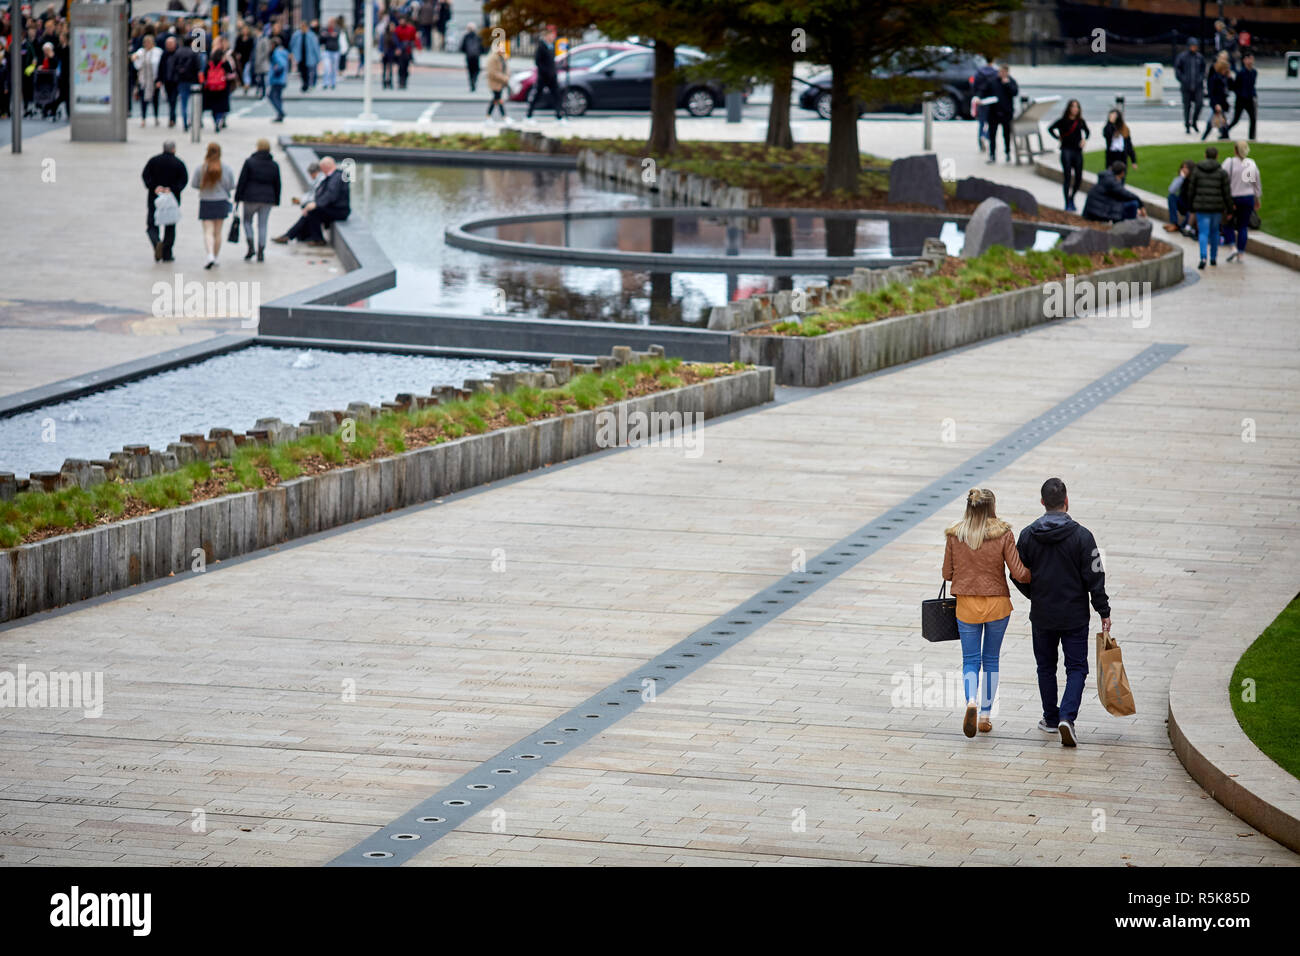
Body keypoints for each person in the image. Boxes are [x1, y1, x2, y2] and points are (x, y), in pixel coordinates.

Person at [1012, 478, 1110, 748]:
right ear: (1067, 501)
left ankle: (1051, 718)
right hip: (1074, 615)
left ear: (1042, 502)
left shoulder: (1028, 535)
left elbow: (1017, 572)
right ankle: (1068, 716)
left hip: (1042, 614)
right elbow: (1096, 576)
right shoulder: (1083, 536)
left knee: (1045, 666)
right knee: (1077, 667)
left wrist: (1034, 595)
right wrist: (1103, 610)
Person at [942, 489, 1031, 738]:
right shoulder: (1004, 534)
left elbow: (947, 573)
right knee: (991, 659)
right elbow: (1019, 572)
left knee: (971, 660)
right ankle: (985, 715)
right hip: (997, 605)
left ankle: (971, 700)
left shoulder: (955, 535)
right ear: (992, 507)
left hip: (967, 605)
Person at [273, 155, 349, 245]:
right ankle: (291, 235)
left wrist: (316, 204)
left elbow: (331, 195)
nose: (321, 170)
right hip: (334, 208)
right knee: (310, 210)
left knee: (313, 211)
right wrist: (313, 204)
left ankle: (314, 239)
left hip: (339, 210)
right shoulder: (334, 176)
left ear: (325, 167)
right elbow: (325, 195)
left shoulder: (336, 177)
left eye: (321, 168)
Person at [1185, 145, 1233, 269]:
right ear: (1217, 156)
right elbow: (1226, 192)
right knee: (1214, 232)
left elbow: (1191, 190)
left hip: (1201, 207)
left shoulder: (1197, 171)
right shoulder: (1221, 172)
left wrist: (1190, 206)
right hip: (1216, 208)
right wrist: (1229, 208)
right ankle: (1213, 258)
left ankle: (1203, 257)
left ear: (1205, 155)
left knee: (1203, 233)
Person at [234, 138, 282, 262]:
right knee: (263, 225)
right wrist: (277, 199)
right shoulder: (274, 165)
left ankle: (251, 246)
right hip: (267, 198)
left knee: (247, 222)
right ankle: (261, 250)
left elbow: (242, 181)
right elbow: (278, 184)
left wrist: (237, 198)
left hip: (250, 197)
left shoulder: (250, 162)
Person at [142, 140, 188, 262]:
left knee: (152, 224)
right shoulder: (178, 163)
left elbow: (145, 175)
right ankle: (167, 253)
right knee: (170, 226)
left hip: (154, 197)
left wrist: (153, 186)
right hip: (172, 199)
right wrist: (172, 189)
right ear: (174, 149)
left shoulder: (153, 161)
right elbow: (184, 180)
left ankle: (156, 242)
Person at [192, 141, 236, 269]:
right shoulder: (226, 168)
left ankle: (210, 254)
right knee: (218, 232)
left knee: (208, 232)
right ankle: (215, 257)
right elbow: (231, 185)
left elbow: (195, 184)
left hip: (206, 201)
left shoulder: (201, 168)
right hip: (221, 201)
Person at [1221, 140, 1261, 263]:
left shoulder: (1229, 163)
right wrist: (1257, 198)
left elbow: (1223, 180)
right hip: (1248, 197)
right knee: (1243, 226)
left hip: (1234, 197)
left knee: (1227, 223)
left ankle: (1233, 246)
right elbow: (1256, 183)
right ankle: (1241, 253)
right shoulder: (1250, 164)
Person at [1046, 99, 1089, 212]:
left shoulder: (1080, 121)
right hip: (1066, 150)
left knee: (1079, 177)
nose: (1075, 109)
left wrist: (1084, 140)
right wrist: (1058, 137)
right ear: (1069, 108)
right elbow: (1050, 129)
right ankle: (1067, 202)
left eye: (1077, 107)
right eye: (1073, 107)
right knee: (1068, 177)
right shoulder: (1063, 121)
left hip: (1077, 151)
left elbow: (1087, 132)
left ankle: (1072, 197)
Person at [201, 38, 237, 131]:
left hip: (211, 88)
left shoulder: (210, 64)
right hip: (222, 87)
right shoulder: (224, 64)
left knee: (214, 107)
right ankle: (219, 120)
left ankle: (216, 120)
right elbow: (231, 72)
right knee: (221, 107)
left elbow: (204, 74)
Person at [984, 63, 1017, 164]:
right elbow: (984, 92)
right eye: (1000, 72)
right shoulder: (993, 81)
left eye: (1003, 72)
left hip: (1006, 113)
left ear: (1007, 73)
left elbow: (1015, 93)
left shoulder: (1011, 81)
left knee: (1006, 134)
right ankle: (992, 154)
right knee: (992, 135)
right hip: (993, 113)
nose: (1001, 74)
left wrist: (1007, 84)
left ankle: (1007, 153)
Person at [526, 32, 563, 122]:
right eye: (551, 35)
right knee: (537, 95)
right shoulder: (541, 47)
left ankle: (559, 116)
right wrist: (546, 72)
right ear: (546, 36)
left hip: (552, 77)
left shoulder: (552, 46)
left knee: (557, 95)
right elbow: (538, 62)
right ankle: (529, 115)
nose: (553, 37)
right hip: (543, 77)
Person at [169, 30, 200, 131]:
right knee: (193, 102)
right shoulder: (194, 53)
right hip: (192, 80)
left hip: (181, 80)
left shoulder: (178, 52)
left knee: (184, 102)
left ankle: (185, 122)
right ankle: (191, 121)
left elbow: (173, 66)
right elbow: (198, 67)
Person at [1174, 37, 1205, 134]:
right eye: (1192, 46)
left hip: (1198, 86)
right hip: (1186, 86)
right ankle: (1187, 125)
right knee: (1187, 107)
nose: (1194, 48)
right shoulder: (1182, 57)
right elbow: (1177, 70)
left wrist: (1200, 79)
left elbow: (1203, 70)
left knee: (1199, 104)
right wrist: (1183, 80)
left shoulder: (1199, 57)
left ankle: (1194, 122)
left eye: (1195, 46)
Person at [132, 32, 162, 127]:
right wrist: (134, 57)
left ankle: (156, 117)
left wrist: (159, 80)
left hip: (154, 79)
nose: (147, 44)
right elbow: (134, 58)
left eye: (149, 42)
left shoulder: (158, 51)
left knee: (155, 100)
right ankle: (143, 118)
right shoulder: (141, 51)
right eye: (146, 43)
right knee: (143, 100)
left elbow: (161, 66)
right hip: (143, 80)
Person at [1225, 52, 1258, 141]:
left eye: (1251, 59)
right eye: (1248, 59)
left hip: (1249, 98)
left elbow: (1252, 85)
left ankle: (1251, 137)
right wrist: (1230, 79)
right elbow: (1235, 86)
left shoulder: (1254, 72)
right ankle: (1225, 131)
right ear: (1244, 61)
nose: (1250, 61)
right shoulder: (1241, 73)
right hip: (1241, 99)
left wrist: (1254, 95)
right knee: (1236, 120)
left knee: (1253, 119)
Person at [1203, 54, 1232, 141]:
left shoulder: (1224, 77)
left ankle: (1224, 135)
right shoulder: (1214, 78)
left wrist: (1230, 77)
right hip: (1217, 102)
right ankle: (1224, 135)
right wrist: (1216, 104)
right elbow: (1212, 93)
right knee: (1215, 120)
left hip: (1221, 102)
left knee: (1220, 120)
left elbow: (1231, 86)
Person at [971, 57, 997, 151]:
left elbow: (974, 86)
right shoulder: (995, 72)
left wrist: (976, 95)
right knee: (991, 122)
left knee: (981, 122)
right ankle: (987, 136)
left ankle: (981, 136)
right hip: (992, 100)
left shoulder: (979, 72)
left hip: (981, 100)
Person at [1101, 109, 1136, 173]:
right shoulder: (1108, 127)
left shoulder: (1124, 128)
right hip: (1111, 156)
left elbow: (1129, 145)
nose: (1113, 117)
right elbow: (1106, 134)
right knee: (1110, 176)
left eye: (1115, 116)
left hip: (1122, 156)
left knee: (1121, 177)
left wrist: (1133, 160)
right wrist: (1110, 122)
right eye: (1111, 116)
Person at [1163, 160, 1193, 234]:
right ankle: (1173, 223)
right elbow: (1171, 190)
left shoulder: (1194, 180)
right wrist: (1181, 178)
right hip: (1182, 204)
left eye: (1186, 168)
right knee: (1171, 197)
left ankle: (1178, 227)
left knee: (1183, 227)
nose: (1183, 169)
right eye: (1182, 167)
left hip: (1190, 208)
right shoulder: (1180, 179)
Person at [484, 38, 510, 124]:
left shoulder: (502, 57)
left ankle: (489, 117)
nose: (502, 49)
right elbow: (492, 73)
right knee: (498, 99)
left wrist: (507, 76)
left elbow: (506, 68)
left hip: (500, 83)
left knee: (496, 99)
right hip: (495, 83)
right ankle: (504, 117)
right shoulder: (493, 58)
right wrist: (504, 78)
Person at [290, 21, 320, 92]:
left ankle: (310, 84)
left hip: (310, 56)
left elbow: (316, 47)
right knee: (302, 71)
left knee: (310, 71)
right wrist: (292, 53)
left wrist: (318, 57)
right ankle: (305, 84)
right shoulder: (296, 35)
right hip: (300, 56)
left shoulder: (311, 35)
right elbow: (292, 44)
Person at [266, 35, 289, 122]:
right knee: (277, 97)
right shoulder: (283, 51)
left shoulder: (277, 52)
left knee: (272, 96)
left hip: (277, 79)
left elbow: (281, 65)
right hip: (282, 79)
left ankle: (280, 112)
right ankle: (280, 114)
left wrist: (276, 71)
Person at [393, 16, 417, 89]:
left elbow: (413, 39)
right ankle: (400, 82)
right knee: (400, 67)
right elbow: (395, 40)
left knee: (406, 67)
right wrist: (397, 48)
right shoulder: (397, 29)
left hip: (407, 50)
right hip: (400, 50)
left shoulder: (410, 29)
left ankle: (404, 82)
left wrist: (415, 47)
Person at [320, 18, 341, 90]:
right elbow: (322, 38)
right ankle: (325, 83)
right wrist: (330, 35)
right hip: (327, 51)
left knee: (334, 68)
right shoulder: (324, 29)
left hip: (335, 51)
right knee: (327, 68)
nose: (331, 24)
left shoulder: (337, 29)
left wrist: (327, 35)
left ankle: (333, 83)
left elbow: (336, 36)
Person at [460, 23, 482, 92]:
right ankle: (474, 80)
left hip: (468, 56)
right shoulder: (478, 36)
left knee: (470, 71)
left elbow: (462, 47)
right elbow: (482, 47)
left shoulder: (466, 36)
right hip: (476, 56)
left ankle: (471, 81)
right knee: (476, 70)